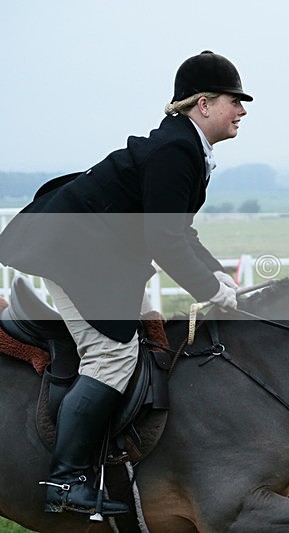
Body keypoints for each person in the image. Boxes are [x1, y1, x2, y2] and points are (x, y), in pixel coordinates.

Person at [0, 50, 251, 516]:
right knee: (111, 356)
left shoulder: (186, 146)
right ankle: (65, 482)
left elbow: (179, 231)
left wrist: (218, 276)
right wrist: (210, 291)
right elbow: (164, 240)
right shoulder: (177, 150)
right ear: (203, 104)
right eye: (234, 101)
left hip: (97, 255)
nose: (242, 111)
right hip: (74, 253)